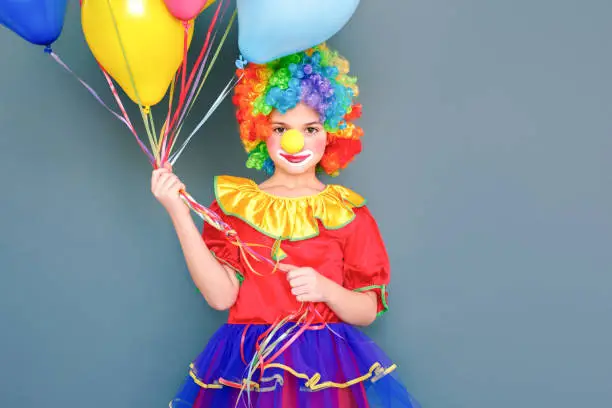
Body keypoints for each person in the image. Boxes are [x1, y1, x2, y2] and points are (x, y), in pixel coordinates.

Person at [153, 44, 420, 408]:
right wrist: (178, 212)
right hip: (250, 367)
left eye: (310, 128)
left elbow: (367, 311)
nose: (295, 141)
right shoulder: (235, 206)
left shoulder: (348, 213)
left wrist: (326, 289)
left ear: (332, 133)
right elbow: (220, 297)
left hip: (325, 369)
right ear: (261, 129)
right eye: (281, 127)